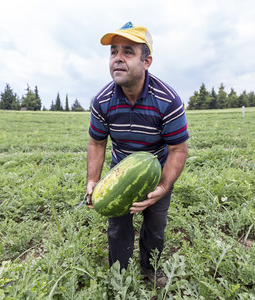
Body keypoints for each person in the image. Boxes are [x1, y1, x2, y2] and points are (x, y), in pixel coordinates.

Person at [86, 21, 189, 287]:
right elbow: (97, 143)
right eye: (113, 52)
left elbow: (178, 149)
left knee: (155, 227)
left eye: (128, 52)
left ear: (147, 61)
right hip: (121, 169)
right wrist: (93, 182)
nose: (117, 58)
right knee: (118, 227)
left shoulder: (168, 101)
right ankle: (118, 273)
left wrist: (164, 185)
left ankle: (150, 268)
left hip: (158, 171)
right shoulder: (102, 101)